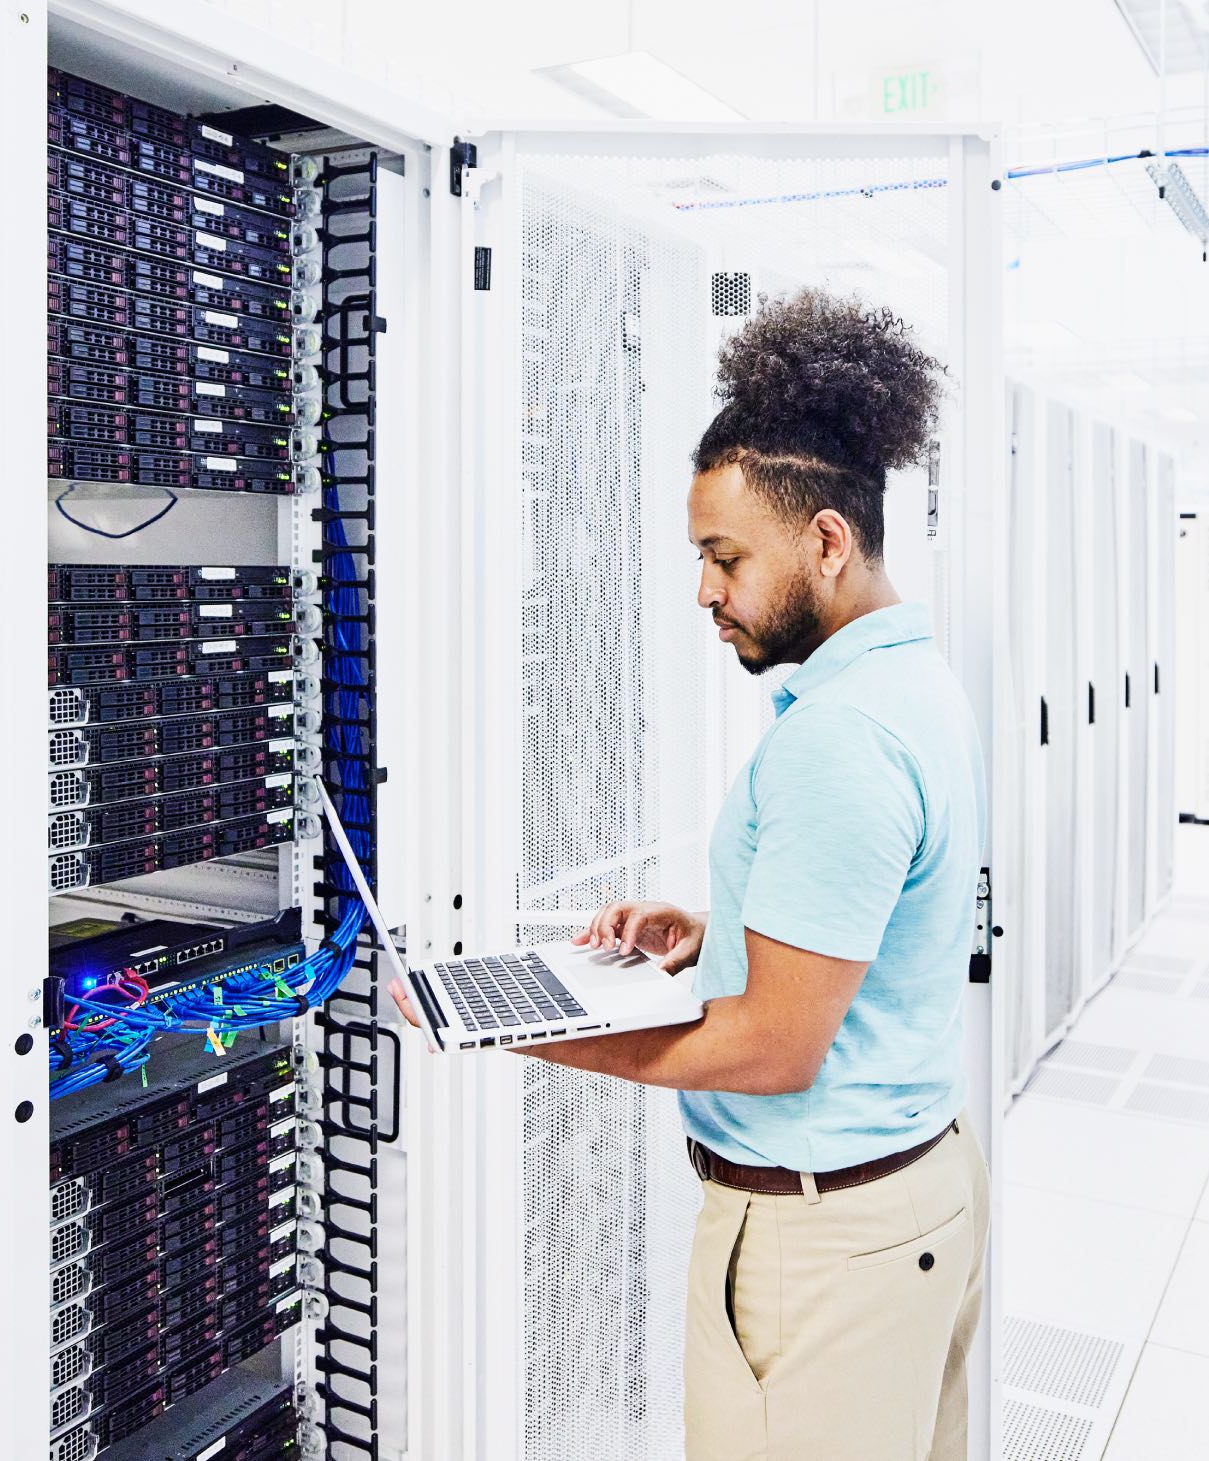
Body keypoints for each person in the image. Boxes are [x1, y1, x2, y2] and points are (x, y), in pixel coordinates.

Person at [390, 287, 990, 1461]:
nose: (704, 593)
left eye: (723, 557)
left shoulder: (838, 735)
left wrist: (513, 1023)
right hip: (908, 1208)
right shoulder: (908, 680)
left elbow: (774, 1047)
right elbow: (867, 915)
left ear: (825, 540)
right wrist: (717, 933)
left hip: (828, 1255)